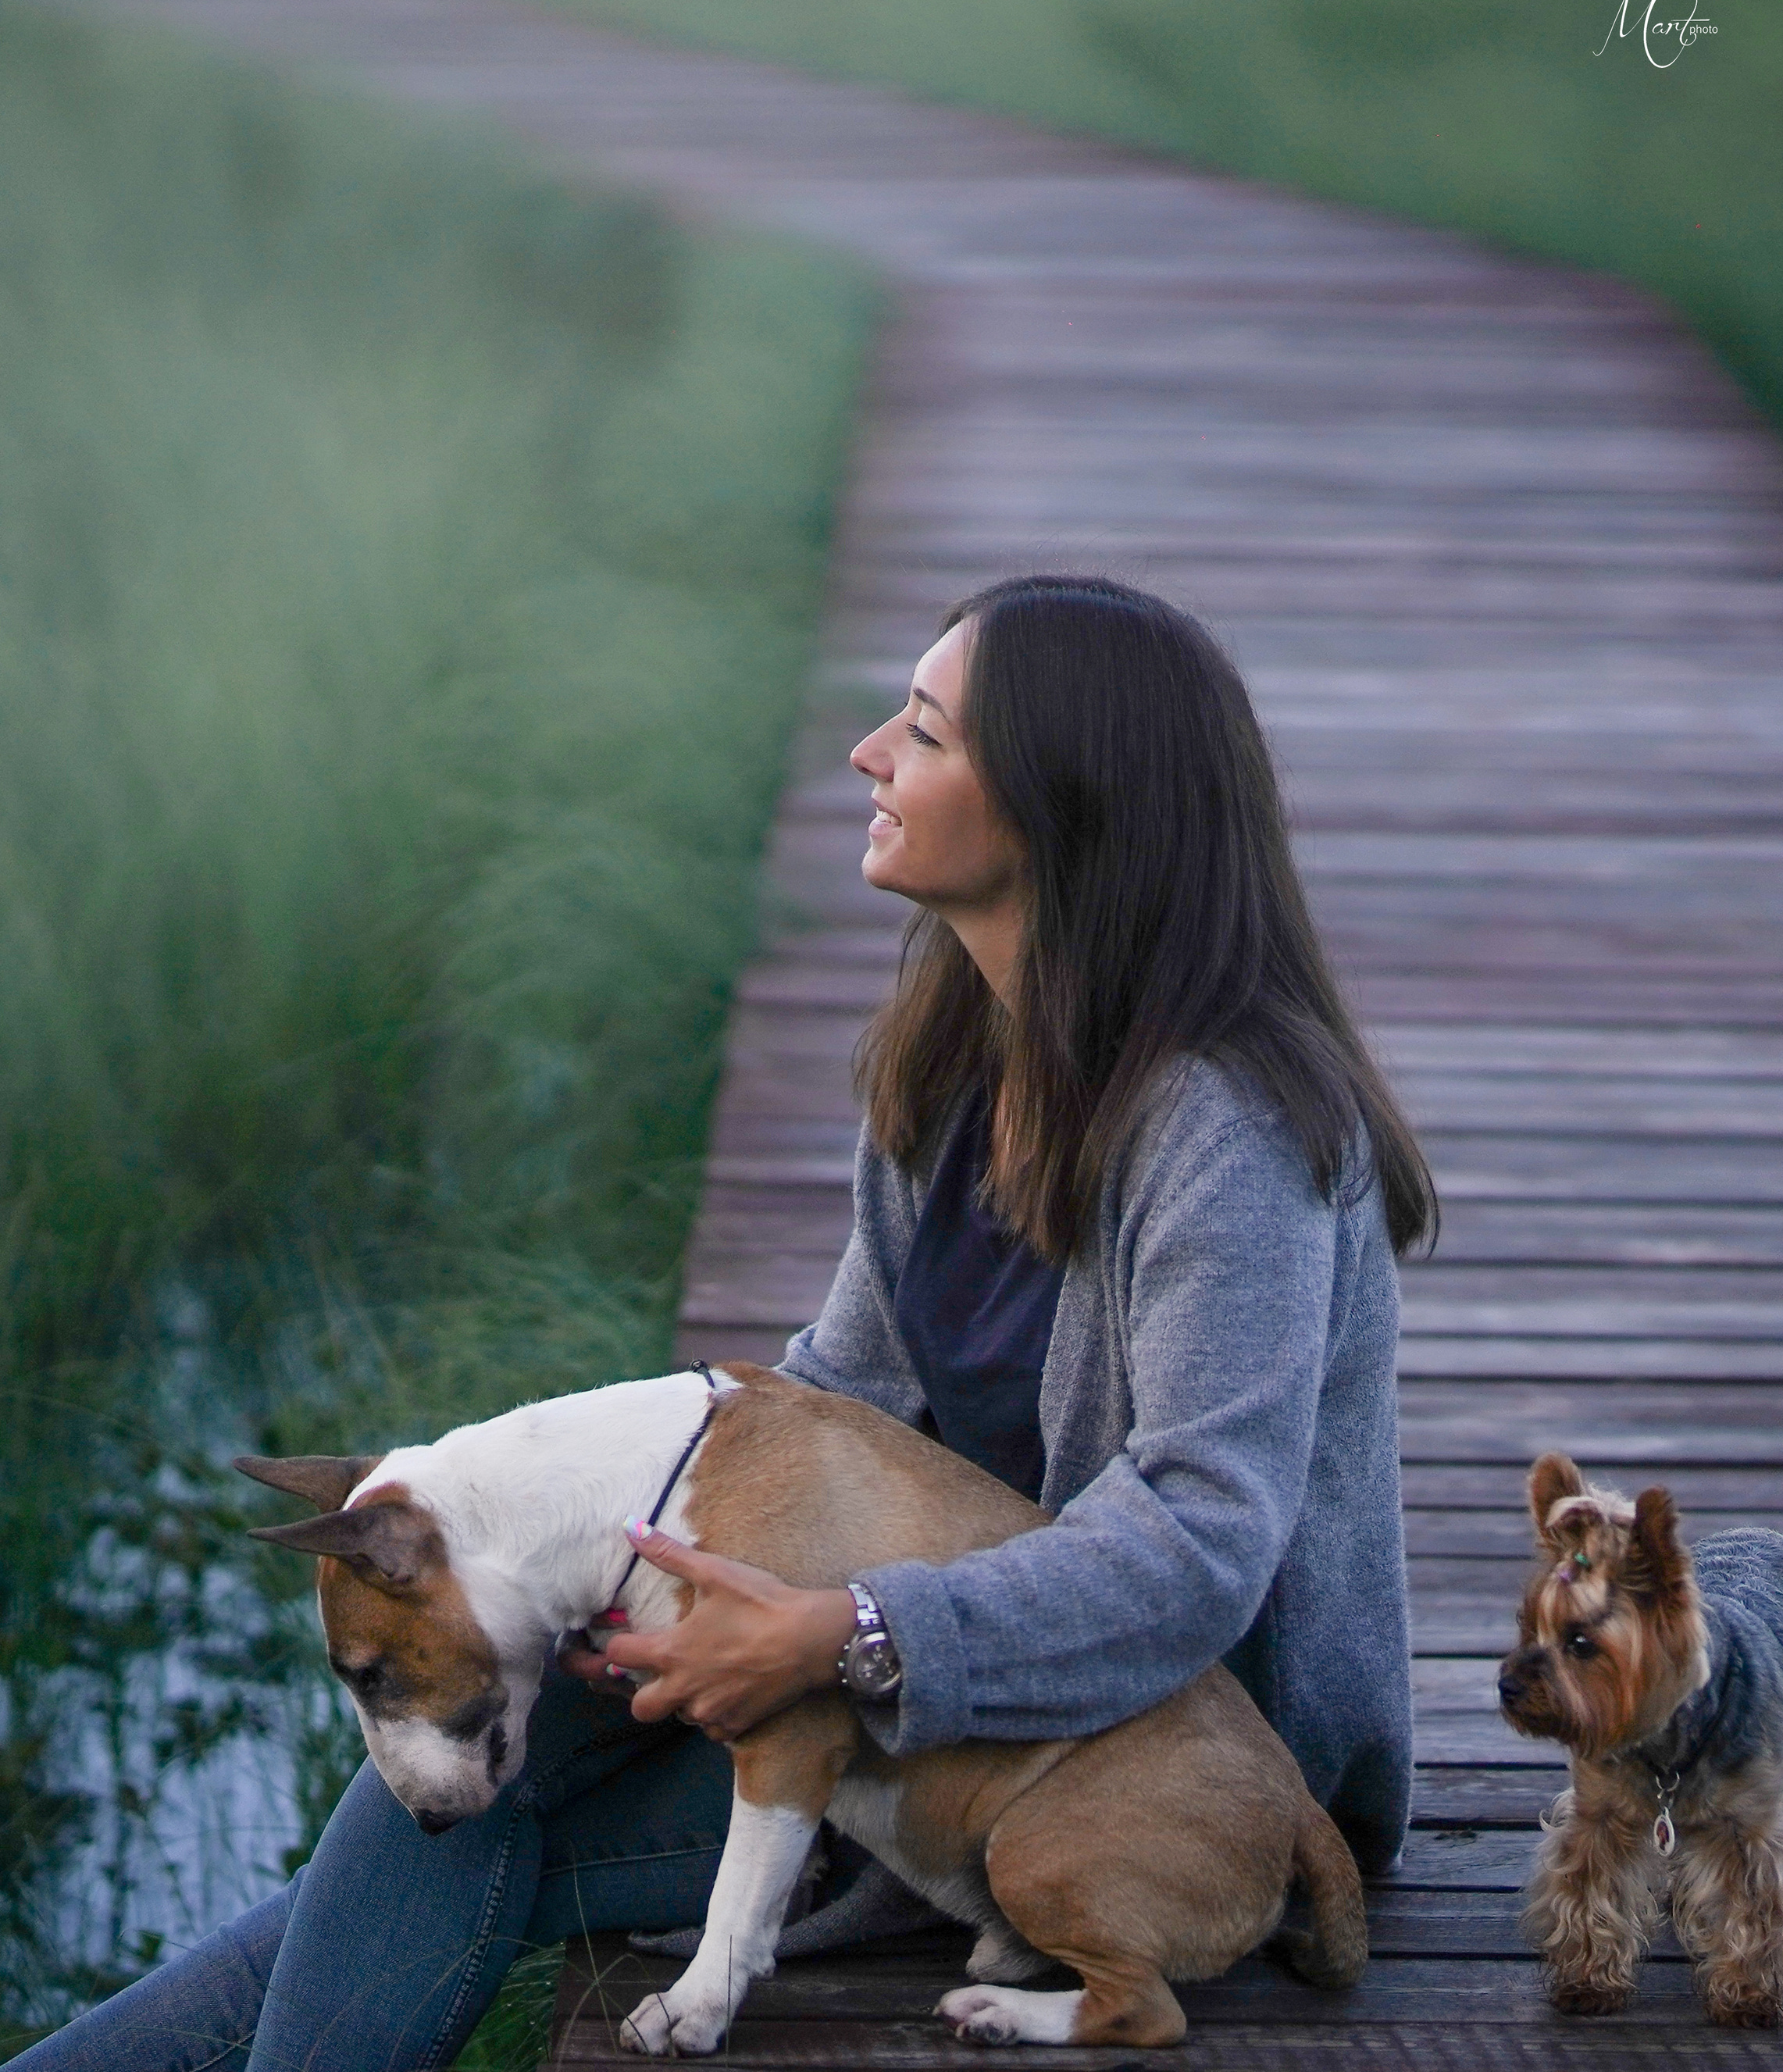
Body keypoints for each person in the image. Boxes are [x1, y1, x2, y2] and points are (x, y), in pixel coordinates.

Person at [20, 576, 1433, 2070]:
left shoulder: (1233, 1135)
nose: (867, 755)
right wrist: (632, 1577)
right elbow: (840, 1398)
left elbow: (1205, 1537)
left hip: (1135, 1775)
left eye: (926, 732)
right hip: (896, 1694)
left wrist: (856, 1633)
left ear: (1060, 802)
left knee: (420, 1869)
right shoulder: (953, 1061)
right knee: (417, 1810)